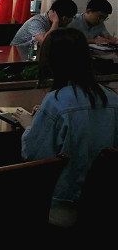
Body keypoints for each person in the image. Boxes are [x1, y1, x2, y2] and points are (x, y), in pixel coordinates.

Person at [12, 28, 118, 227]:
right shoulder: (112, 98)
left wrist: (30, 125)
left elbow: (34, 156)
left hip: (62, 204)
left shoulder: (56, 101)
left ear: (52, 61)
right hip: (105, 202)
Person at [10, 0, 77, 46]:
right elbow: (45, 41)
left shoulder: (59, 24)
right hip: (17, 54)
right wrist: (55, 22)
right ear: (64, 18)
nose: (72, 20)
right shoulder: (36, 21)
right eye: (72, 17)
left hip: (34, 52)